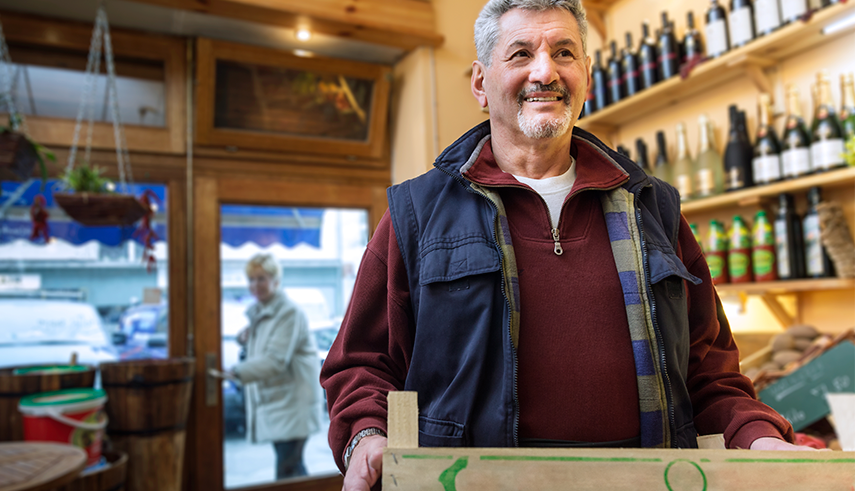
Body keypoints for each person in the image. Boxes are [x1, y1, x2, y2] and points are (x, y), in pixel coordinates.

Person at [320, 1, 813, 490]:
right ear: (480, 84)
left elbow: (709, 372)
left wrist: (757, 437)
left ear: (587, 77)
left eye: (563, 53)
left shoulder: (655, 208)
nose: (545, 71)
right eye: (519, 54)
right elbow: (360, 363)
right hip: (471, 485)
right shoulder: (417, 212)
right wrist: (366, 436)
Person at [230, 253, 321, 480]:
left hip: (291, 404)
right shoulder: (263, 313)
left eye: (261, 278)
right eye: (251, 279)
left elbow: (275, 361)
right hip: (279, 405)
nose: (255, 285)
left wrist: (235, 373)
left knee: (289, 472)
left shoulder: (287, 312)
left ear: (275, 280)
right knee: (291, 470)